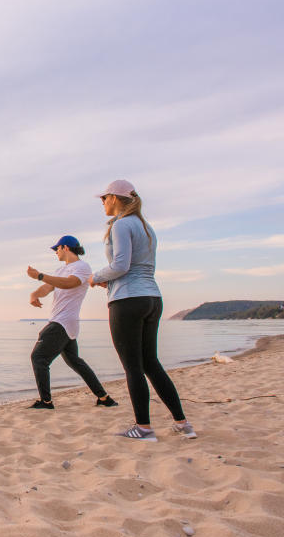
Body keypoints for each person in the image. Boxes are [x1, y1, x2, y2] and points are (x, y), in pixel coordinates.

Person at [90, 180, 196, 441]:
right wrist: (110, 277)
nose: (102, 203)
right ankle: (182, 424)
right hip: (152, 298)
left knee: (133, 367)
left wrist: (96, 277)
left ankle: (144, 428)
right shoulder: (146, 227)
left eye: (104, 198)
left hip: (128, 300)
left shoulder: (122, 224)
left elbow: (121, 265)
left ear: (115, 198)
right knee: (151, 363)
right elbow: (138, 266)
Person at [25, 235, 119, 410]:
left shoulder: (82, 267)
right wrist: (34, 294)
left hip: (62, 322)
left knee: (38, 358)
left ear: (65, 247)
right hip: (65, 323)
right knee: (75, 361)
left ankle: (46, 402)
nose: (56, 252)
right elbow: (48, 287)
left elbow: (70, 283)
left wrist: (39, 275)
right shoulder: (61, 270)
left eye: (57, 249)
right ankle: (105, 398)